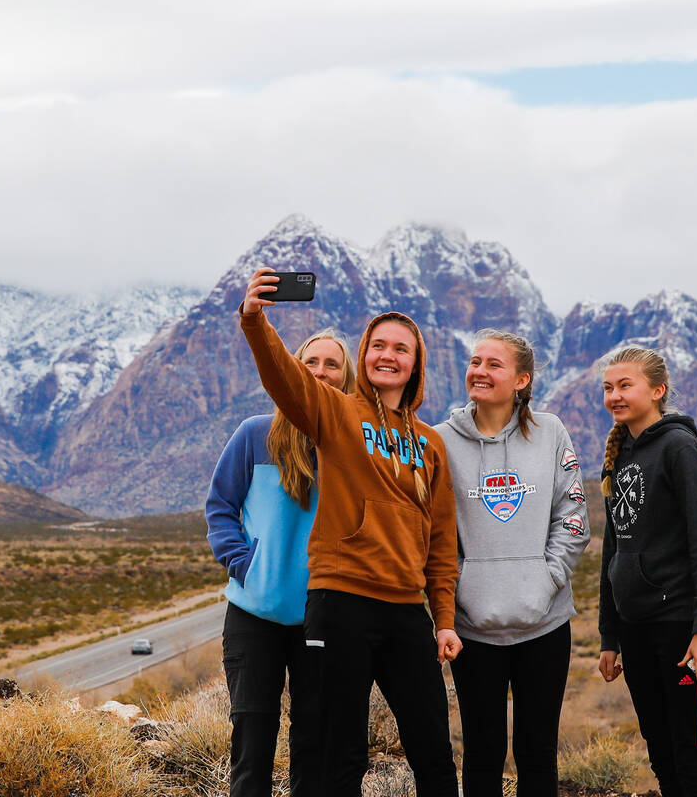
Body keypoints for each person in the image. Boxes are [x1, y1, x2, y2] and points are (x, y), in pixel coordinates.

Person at [239, 267, 462, 797]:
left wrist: (445, 619)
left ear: (415, 364)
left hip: (408, 610)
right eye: (378, 345)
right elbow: (285, 378)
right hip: (341, 603)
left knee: (432, 746)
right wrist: (254, 321)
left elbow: (442, 541)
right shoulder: (335, 413)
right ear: (364, 357)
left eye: (401, 348)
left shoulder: (431, 445)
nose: (388, 355)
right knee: (342, 752)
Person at [436, 329, 590, 797]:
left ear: (521, 379)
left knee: (536, 750)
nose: (479, 371)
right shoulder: (440, 440)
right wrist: (461, 588)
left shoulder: (551, 431)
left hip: (543, 624)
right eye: (474, 361)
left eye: (493, 364)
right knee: (481, 753)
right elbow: (435, 533)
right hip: (473, 627)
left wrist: (546, 580)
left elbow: (574, 515)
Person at [206, 328, 357, 797]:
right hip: (255, 616)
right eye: (310, 361)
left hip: (322, 617)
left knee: (311, 749)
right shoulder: (255, 434)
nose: (320, 372)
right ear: (291, 368)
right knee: (252, 748)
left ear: (347, 378)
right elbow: (220, 507)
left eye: (333, 364)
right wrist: (244, 563)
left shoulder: (353, 445)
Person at [596, 347, 697, 797]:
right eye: (608, 388)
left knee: (693, 753)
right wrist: (609, 637)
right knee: (661, 752)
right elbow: (614, 551)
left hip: (684, 631)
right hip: (636, 629)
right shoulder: (622, 456)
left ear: (657, 391)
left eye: (625, 386)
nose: (615, 395)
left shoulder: (681, 449)